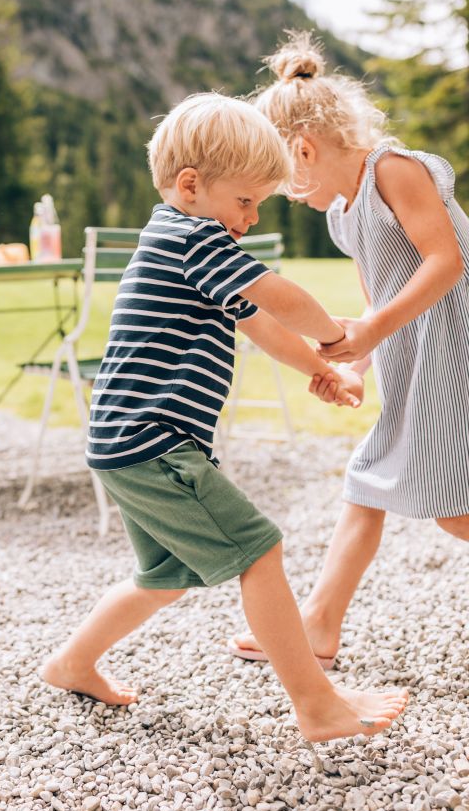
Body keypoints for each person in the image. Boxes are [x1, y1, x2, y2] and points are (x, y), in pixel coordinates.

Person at [42, 93, 408, 743]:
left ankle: (72, 662)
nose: (251, 217)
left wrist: (320, 371)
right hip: (154, 440)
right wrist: (337, 336)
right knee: (260, 550)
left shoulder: (183, 244)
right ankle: (315, 704)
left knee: (164, 575)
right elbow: (279, 296)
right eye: (246, 201)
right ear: (192, 186)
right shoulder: (194, 237)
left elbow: (260, 324)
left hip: (127, 440)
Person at [230, 32, 469, 669]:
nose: (288, 196)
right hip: (416, 355)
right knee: (368, 481)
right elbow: (374, 307)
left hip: (454, 348)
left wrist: (367, 336)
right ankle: (318, 625)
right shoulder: (343, 212)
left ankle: (318, 623)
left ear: (304, 149)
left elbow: (446, 261)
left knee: (451, 506)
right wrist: (354, 363)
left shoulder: (396, 170)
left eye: (284, 181)